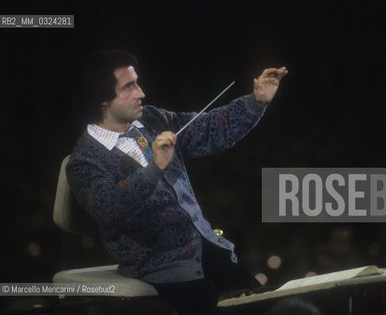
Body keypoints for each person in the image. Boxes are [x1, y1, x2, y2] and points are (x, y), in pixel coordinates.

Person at [66, 49, 287, 314]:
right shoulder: (84, 160)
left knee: (266, 306)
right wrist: (155, 167)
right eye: (129, 86)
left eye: (137, 83)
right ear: (102, 98)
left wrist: (256, 101)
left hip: (203, 247)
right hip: (160, 264)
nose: (141, 92)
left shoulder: (152, 119)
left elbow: (208, 130)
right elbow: (110, 207)